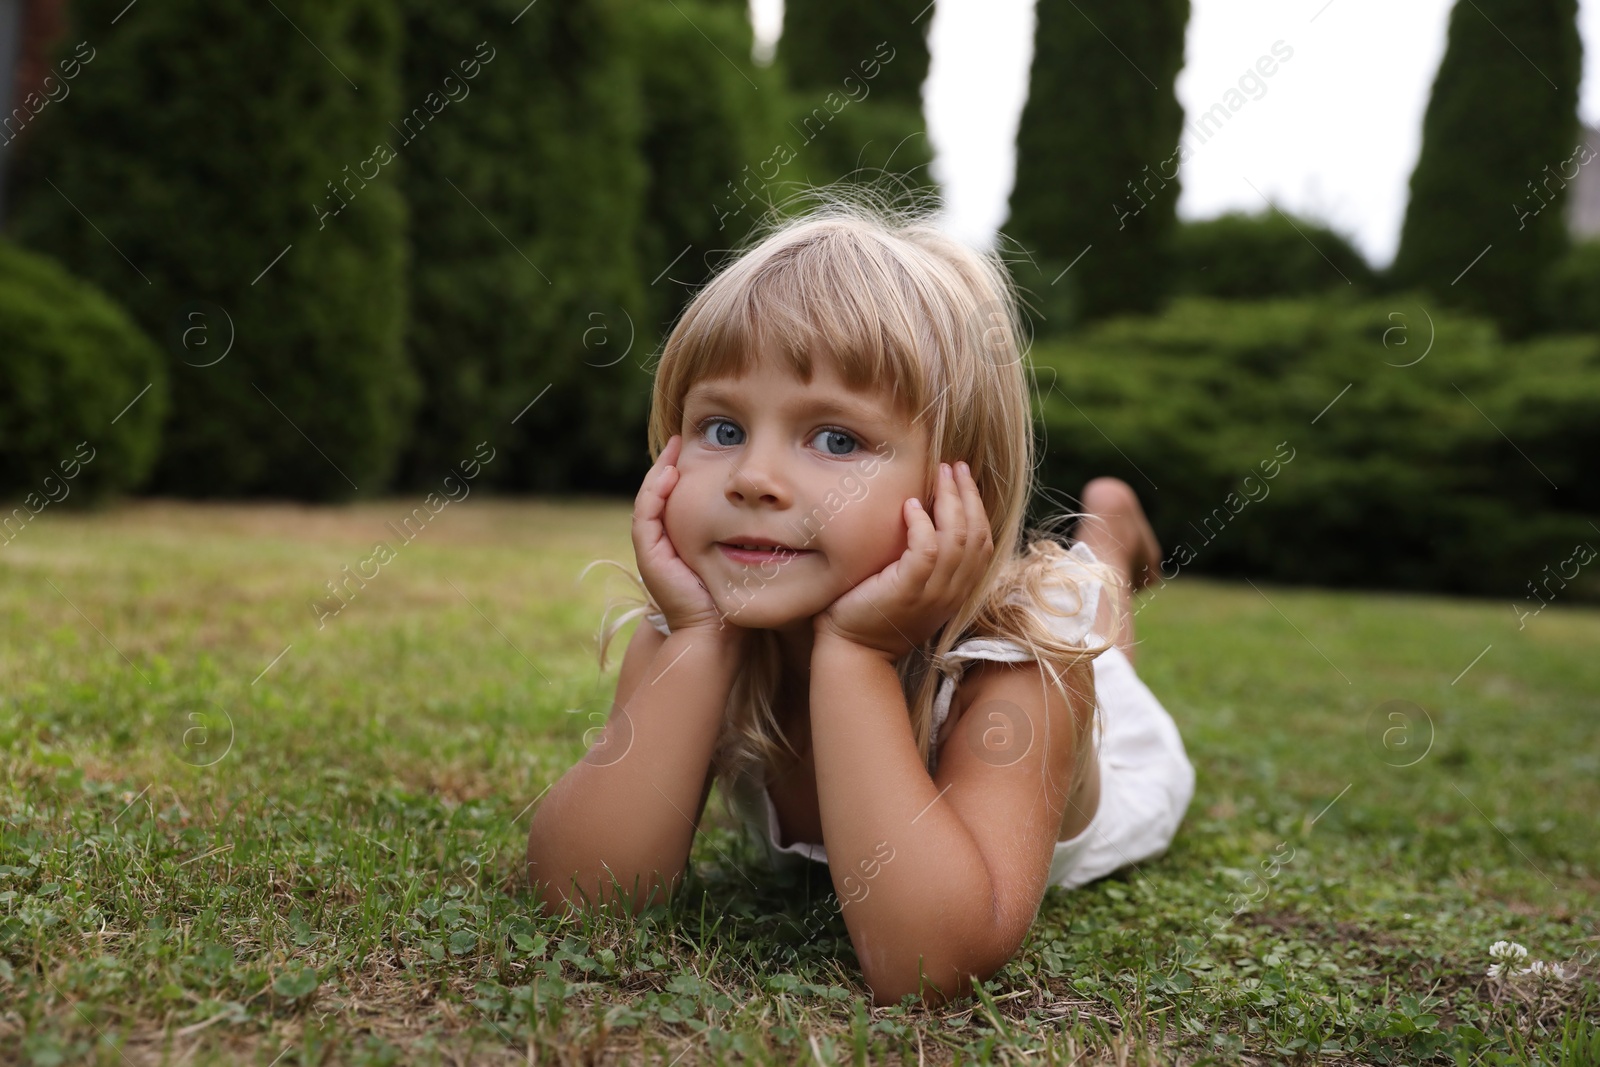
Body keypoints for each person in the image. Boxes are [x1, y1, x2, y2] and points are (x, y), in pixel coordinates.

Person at [526, 191, 1195, 1007]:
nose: (753, 478)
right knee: (1072, 599)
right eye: (722, 429)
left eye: (837, 439)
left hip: (1109, 746)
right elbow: (584, 901)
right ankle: (1098, 546)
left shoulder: (1016, 674)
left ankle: (1107, 538)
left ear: (963, 486)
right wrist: (699, 639)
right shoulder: (687, 634)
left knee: (1088, 623)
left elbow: (932, 963)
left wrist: (857, 655)